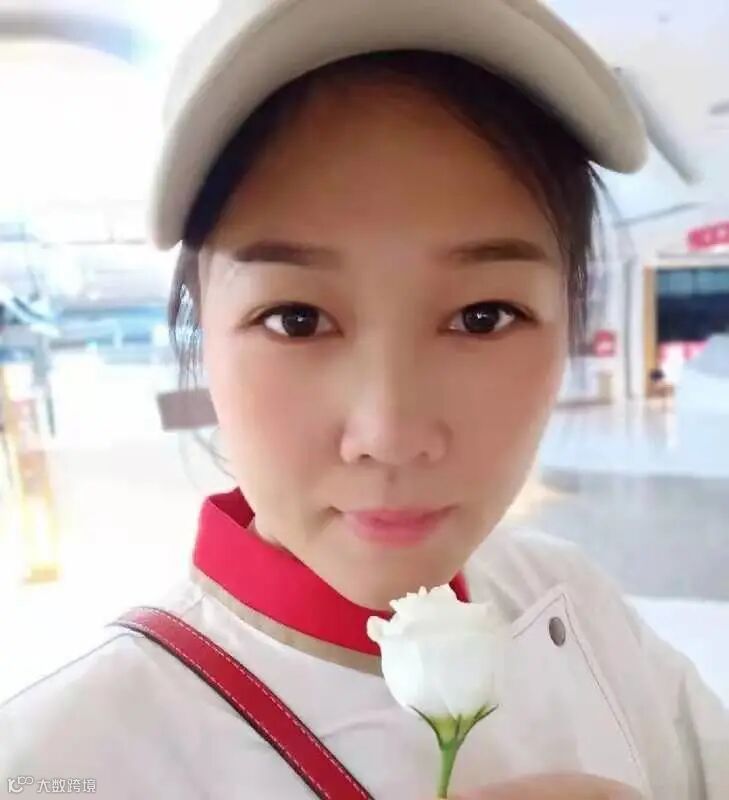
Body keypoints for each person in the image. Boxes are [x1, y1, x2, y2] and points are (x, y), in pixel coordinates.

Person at [1, 1, 727, 798]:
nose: (389, 433)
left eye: (483, 316)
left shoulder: (577, 606)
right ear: (200, 330)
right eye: (296, 319)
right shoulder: (59, 760)